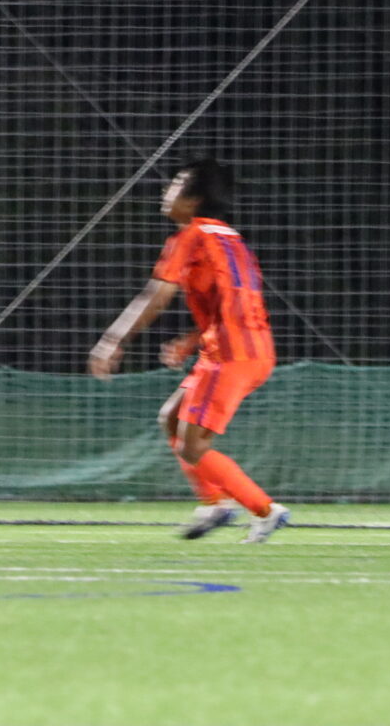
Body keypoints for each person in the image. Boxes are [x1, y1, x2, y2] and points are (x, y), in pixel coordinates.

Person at [88, 159, 289, 543]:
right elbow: (237, 301)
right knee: (172, 417)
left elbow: (157, 295)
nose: (166, 192)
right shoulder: (231, 239)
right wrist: (192, 340)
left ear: (194, 199)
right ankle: (215, 504)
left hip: (231, 355)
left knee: (193, 445)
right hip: (248, 349)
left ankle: (265, 510)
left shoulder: (191, 236)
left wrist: (113, 340)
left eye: (176, 185)